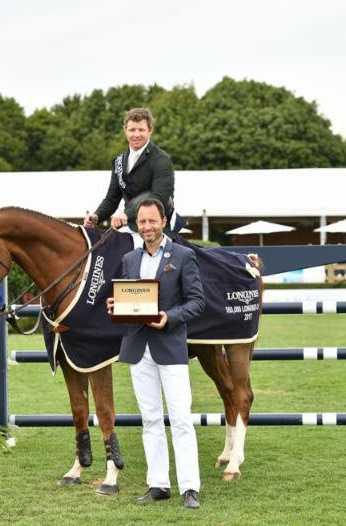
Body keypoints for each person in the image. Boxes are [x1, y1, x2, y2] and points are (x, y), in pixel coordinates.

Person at [106, 198, 205, 509]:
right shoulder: (130, 259)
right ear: (137, 224)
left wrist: (169, 318)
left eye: (152, 220)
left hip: (170, 346)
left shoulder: (184, 256)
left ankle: (190, 487)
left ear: (163, 221)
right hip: (138, 347)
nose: (147, 226)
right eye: (142, 221)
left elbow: (197, 302)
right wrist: (116, 308)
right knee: (149, 420)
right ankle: (158, 484)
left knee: (180, 419)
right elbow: (130, 301)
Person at [83, 108, 183, 235]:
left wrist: (126, 215)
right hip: (129, 225)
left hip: (156, 228)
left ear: (150, 131)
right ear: (125, 131)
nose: (136, 135)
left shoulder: (161, 159)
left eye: (141, 130)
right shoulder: (118, 162)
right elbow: (111, 199)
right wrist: (97, 216)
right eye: (132, 130)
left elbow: (159, 197)